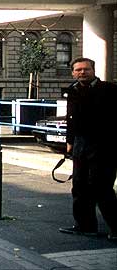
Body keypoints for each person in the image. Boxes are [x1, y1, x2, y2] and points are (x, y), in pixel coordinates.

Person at [58, 57, 117, 241]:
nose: (82, 72)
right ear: (73, 72)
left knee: (102, 188)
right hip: (80, 144)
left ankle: (116, 228)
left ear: (93, 70)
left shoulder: (109, 89)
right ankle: (85, 225)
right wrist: (70, 141)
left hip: (104, 145)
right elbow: (71, 119)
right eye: (78, 70)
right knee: (80, 186)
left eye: (86, 69)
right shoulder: (73, 90)